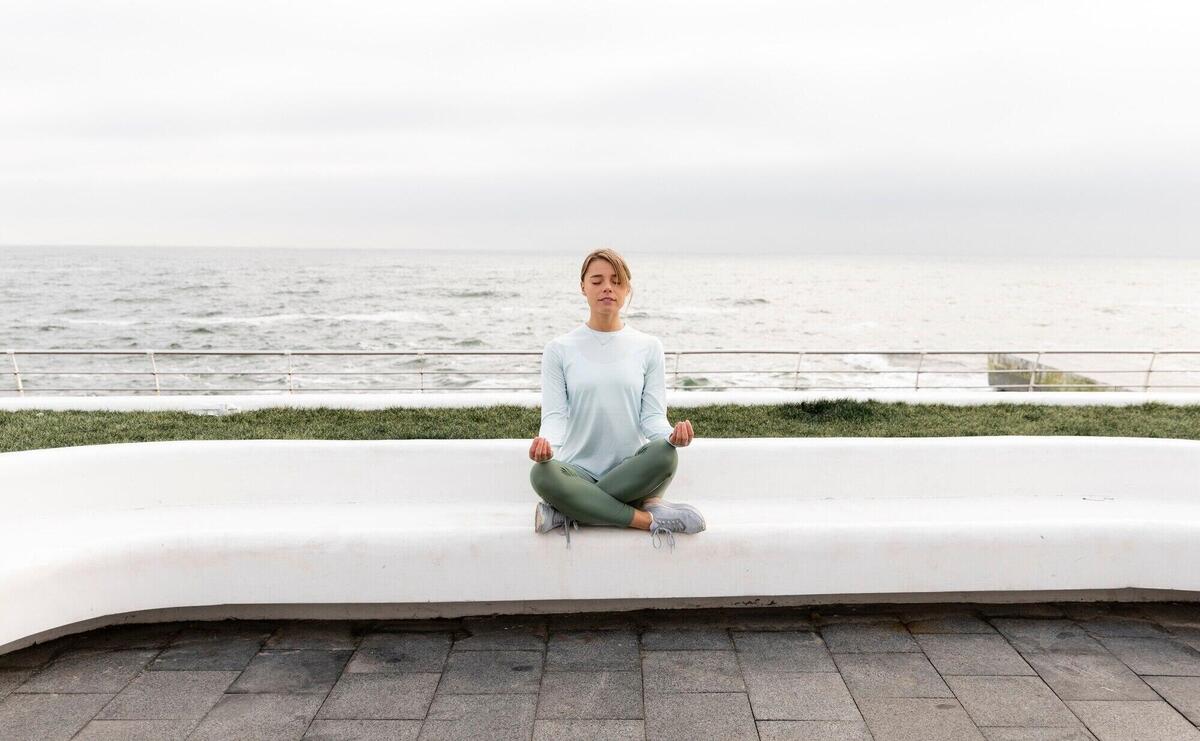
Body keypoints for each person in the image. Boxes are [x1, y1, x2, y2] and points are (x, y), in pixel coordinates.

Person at [528, 248, 706, 551]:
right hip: (577, 471)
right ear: (583, 287)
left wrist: (672, 437)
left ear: (626, 289)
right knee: (542, 475)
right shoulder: (559, 349)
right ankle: (647, 519)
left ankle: (570, 510)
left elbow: (651, 416)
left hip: (630, 471)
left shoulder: (649, 347)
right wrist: (546, 448)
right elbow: (555, 416)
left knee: (665, 455)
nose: (607, 287)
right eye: (597, 281)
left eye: (616, 281)